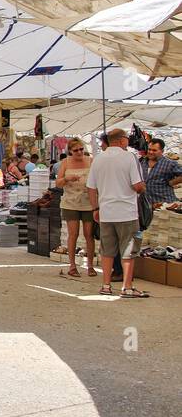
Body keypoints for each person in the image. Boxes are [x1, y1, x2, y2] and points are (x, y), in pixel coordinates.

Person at [87, 128, 149, 298]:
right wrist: (143, 187)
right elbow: (137, 185)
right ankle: (127, 287)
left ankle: (106, 285)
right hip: (127, 212)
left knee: (107, 250)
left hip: (106, 212)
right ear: (122, 140)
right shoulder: (129, 157)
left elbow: (91, 188)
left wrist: (95, 208)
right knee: (128, 251)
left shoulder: (98, 159)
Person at [53, 138, 96, 278]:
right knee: (73, 234)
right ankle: (72, 265)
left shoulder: (91, 161)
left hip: (88, 202)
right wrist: (67, 179)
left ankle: (90, 265)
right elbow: (58, 183)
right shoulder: (65, 163)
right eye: (76, 150)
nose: (79, 152)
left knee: (89, 235)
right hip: (70, 203)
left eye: (81, 149)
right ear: (70, 151)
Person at [142, 139, 182, 205]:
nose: (151, 152)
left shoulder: (169, 163)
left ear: (162, 151)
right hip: (147, 203)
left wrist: (171, 182)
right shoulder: (142, 162)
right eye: (149, 149)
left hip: (164, 203)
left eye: (154, 150)